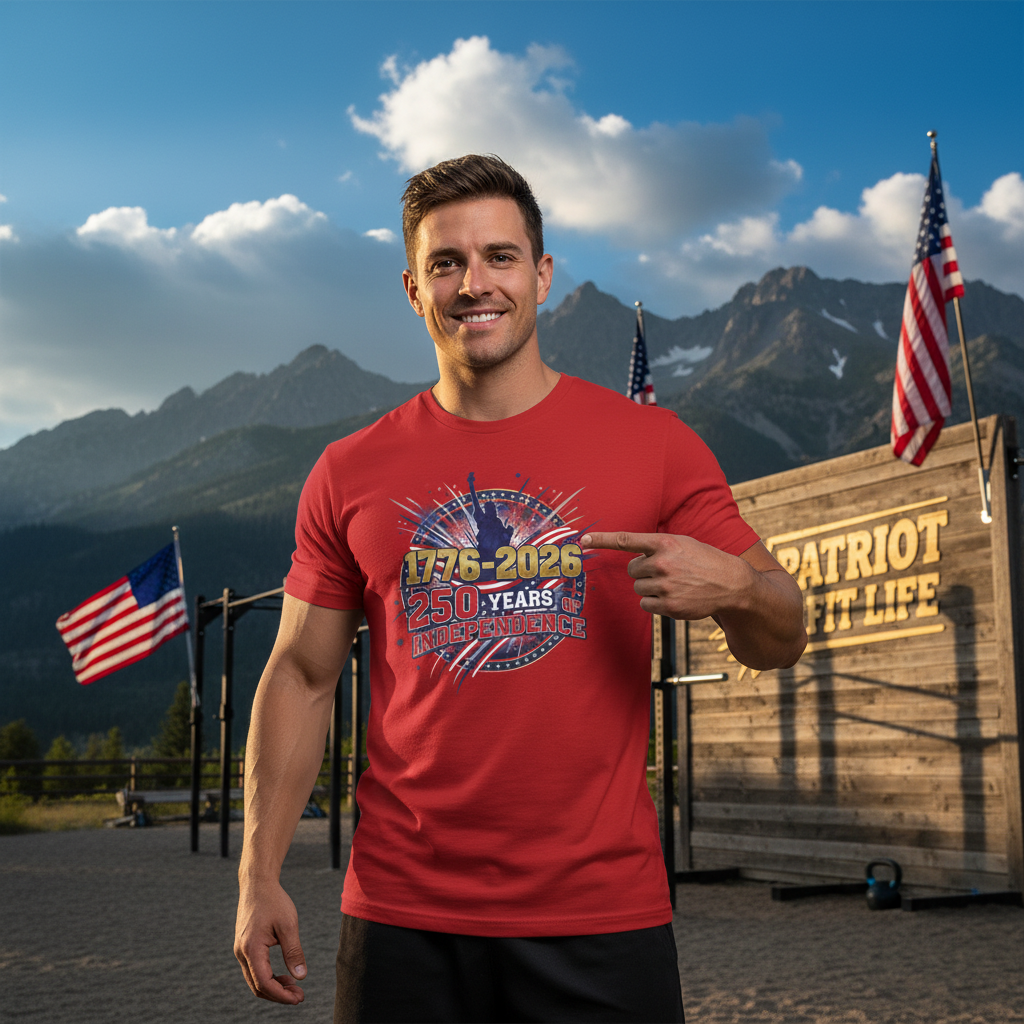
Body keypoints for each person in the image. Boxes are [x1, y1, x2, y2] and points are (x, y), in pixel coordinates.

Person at [234, 154, 807, 1023]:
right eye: (446, 263)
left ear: (540, 275)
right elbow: (303, 676)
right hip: (402, 916)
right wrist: (257, 875)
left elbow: (784, 634)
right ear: (413, 287)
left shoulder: (655, 446)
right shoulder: (348, 471)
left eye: (500, 256)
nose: (475, 283)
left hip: (601, 917)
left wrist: (733, 585)